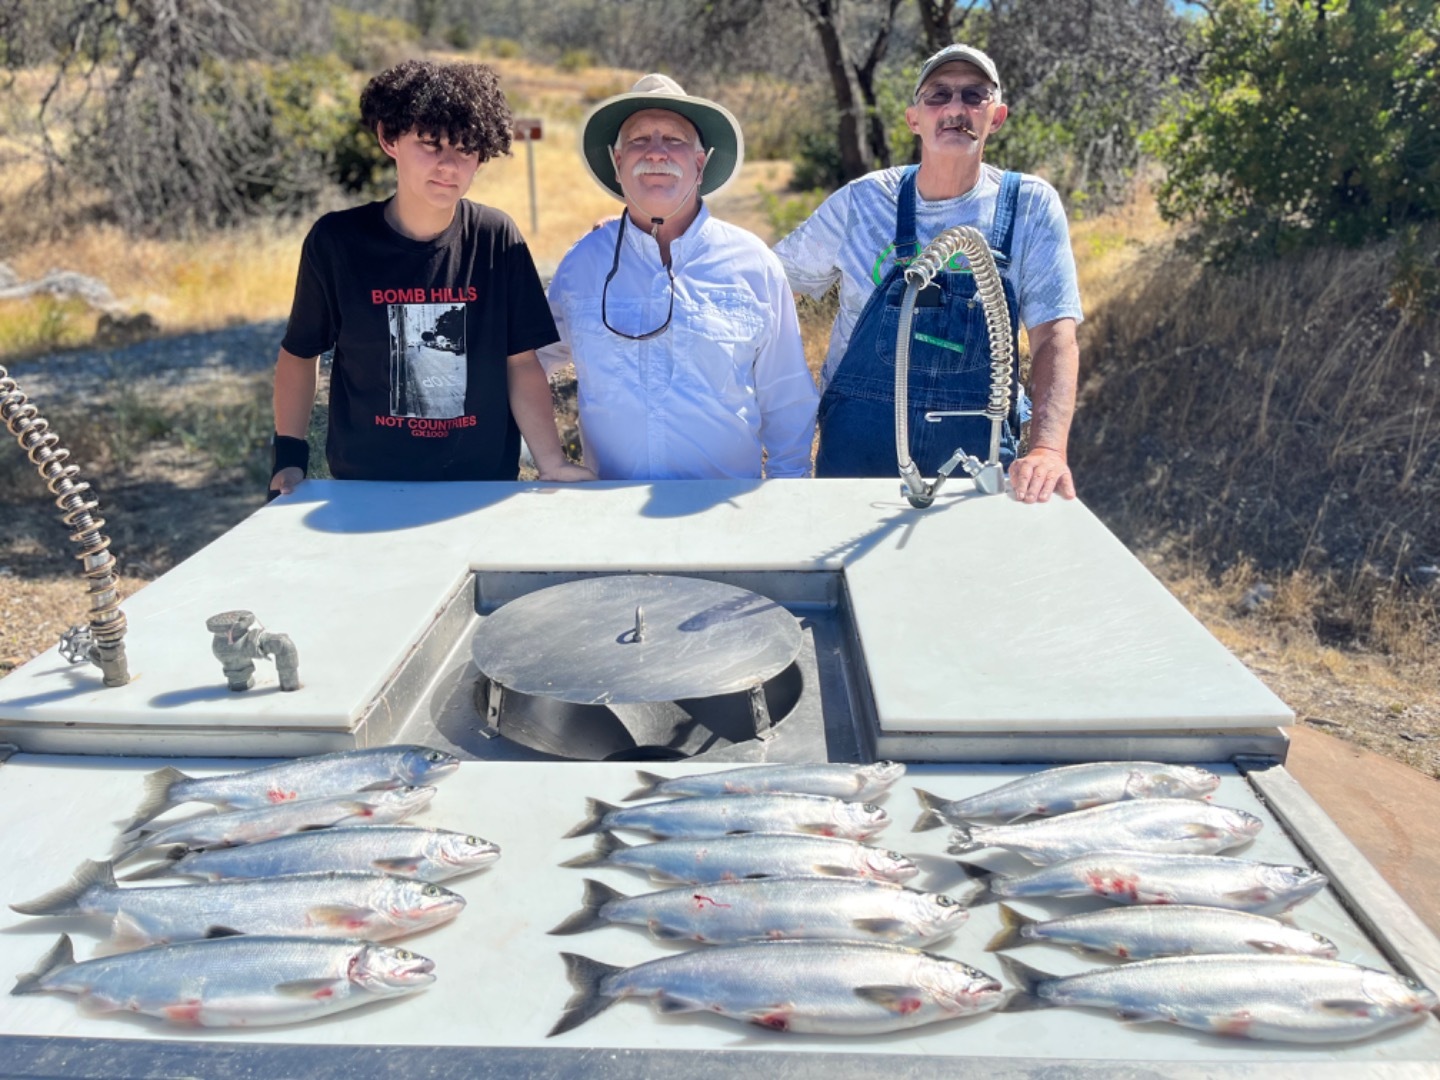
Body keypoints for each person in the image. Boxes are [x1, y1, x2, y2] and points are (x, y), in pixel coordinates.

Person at [269, 59, 593, 498]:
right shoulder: (337, 242)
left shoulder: (496, 238)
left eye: (465, 149)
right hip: (366, 487)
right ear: (389, 138)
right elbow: (300, 354)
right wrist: (288, 460)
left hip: (481, 489)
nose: (448, 165)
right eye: (430, 143)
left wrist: (551, 462)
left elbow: (520, 363)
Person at [773, 44, 1081, 503]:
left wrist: (1048, 448)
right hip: (857, 447)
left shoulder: (1029, 206)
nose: (955, 109)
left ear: (995, 117)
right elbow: (770, 285)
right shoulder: (864, 201)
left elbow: (1055, 335)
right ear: (913, 118)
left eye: (974, 96)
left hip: (976, 449)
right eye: (938, 95)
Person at [539, 74, 818, 481]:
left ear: (700, 164)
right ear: (617, 165)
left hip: (724, 516)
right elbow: (529, 362)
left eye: (674, 141)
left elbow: (787, 397)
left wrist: (786, 495)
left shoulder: (754, 264)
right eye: (638, 141)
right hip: (610, 520)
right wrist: (550, 460)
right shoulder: (582, 265)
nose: (655, 153)